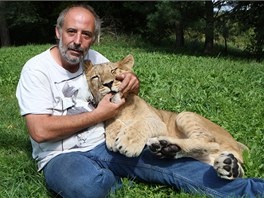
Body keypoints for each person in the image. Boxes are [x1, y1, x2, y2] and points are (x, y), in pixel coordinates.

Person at [16, 4, 264, 198]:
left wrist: (133, 82)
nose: (78, 41)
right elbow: (39, 131)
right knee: (86, 189)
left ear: (93, 38)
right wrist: (99, 115)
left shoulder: (93, 58)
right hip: (61, 155)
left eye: (86, 34)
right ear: (58, 32)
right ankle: (120, 175)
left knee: (175, 168)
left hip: (105, 143)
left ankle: (253, 189)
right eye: (71, 32)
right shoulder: (37, 69)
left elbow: (122, 80)